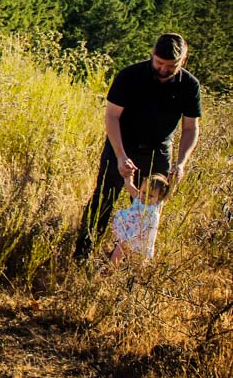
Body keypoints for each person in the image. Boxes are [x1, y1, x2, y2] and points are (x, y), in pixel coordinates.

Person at [74, 33, 201, 262]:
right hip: (122, 145)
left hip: (159, 152)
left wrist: (181, 163)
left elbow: (191, 128)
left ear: (183, 61)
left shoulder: (190, 85)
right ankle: (82, 256)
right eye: (159, 63)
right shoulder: (130, 76)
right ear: (152, 54)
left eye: (170, 66)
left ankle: (121, 263)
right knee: (103, 200)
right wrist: (121, 156)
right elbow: (112, 116)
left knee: (148, 211)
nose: (163, 69)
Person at [107, 173, 171, 265]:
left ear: (159, 197)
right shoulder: (138, 197)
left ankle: (138, 274)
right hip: (129, 233)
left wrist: (173, 181)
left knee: (140, 259)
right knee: (120, 249)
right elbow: (129, 185)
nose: (145, 197)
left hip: (142, 237)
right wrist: (128, 175)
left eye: (151, 196)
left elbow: (168, 194)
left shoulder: (156, 205)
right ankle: (111, 268)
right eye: (144, 192)